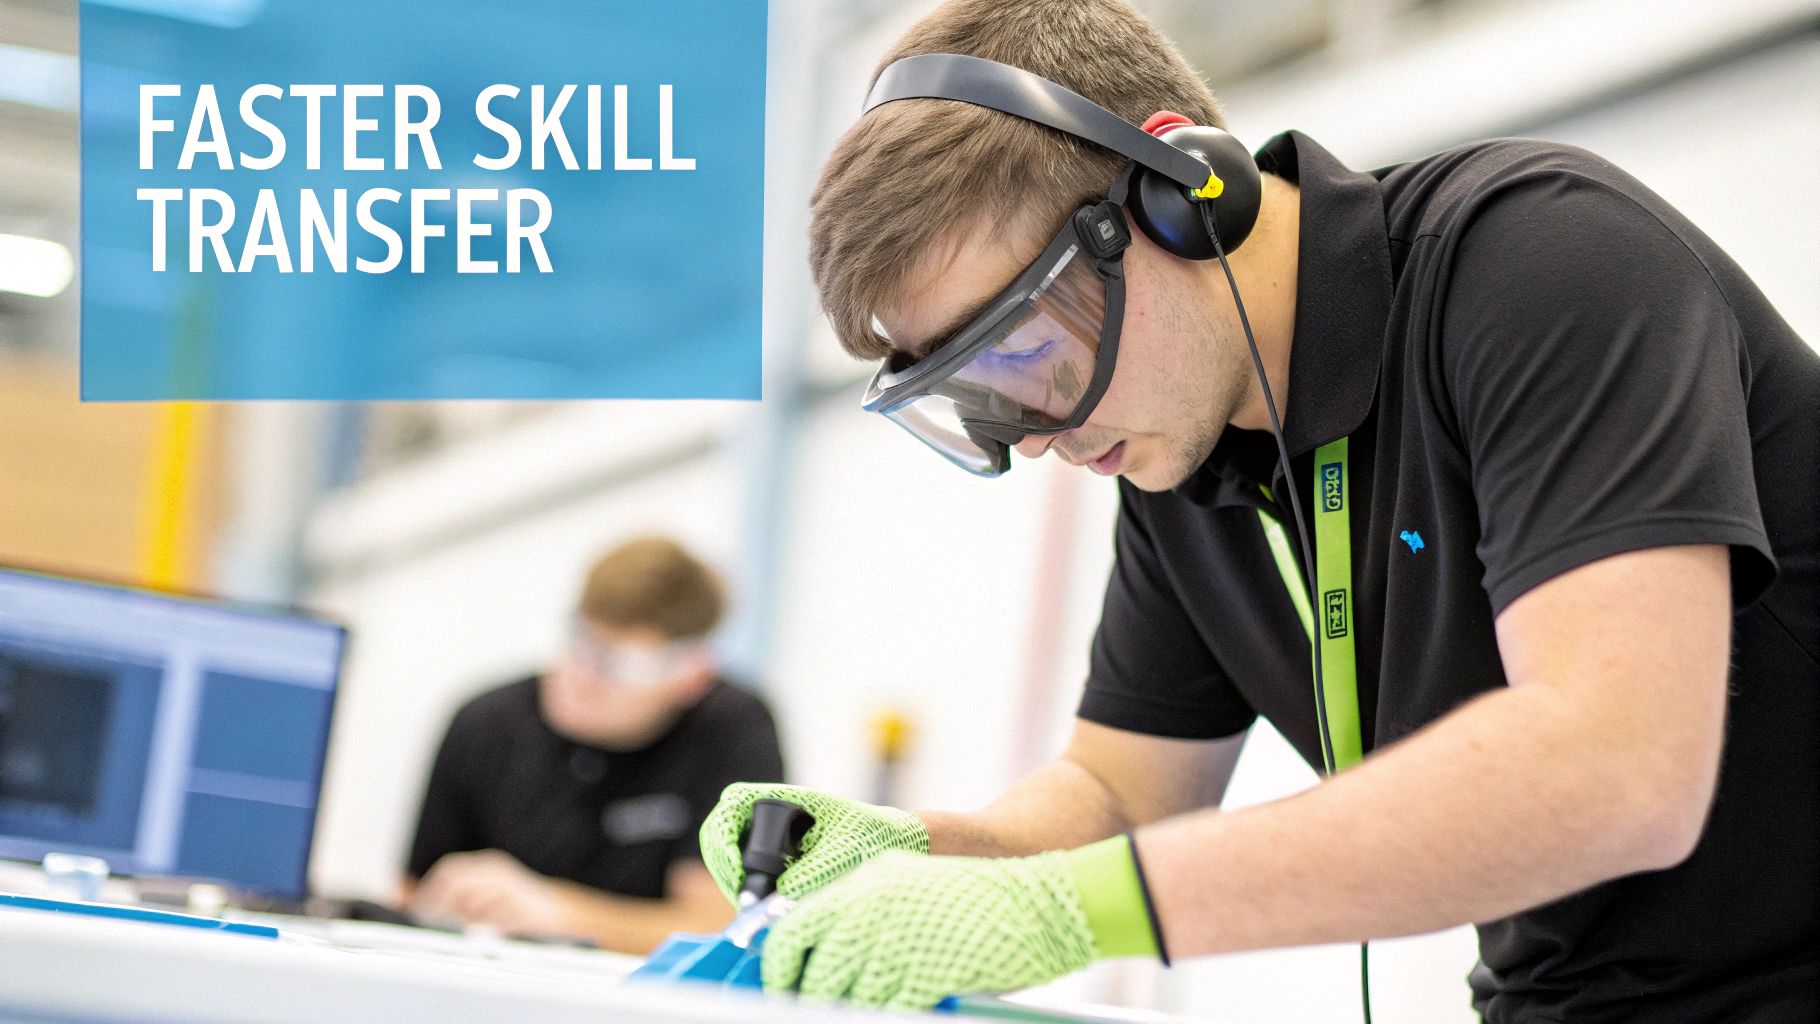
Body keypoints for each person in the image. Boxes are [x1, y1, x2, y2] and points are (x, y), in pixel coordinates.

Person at [698, 1, 1819, 1019]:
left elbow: (1612, 769)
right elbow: (1120, 793)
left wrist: (1069, 909)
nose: (1031, 434)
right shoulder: (1175, 458)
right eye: (973, 400)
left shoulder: (1544, 264)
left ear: (1181, 190)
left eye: (1026, 351)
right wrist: (915, 852)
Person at [403, 536, 784, 953]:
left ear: (692, 675)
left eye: (622, 665)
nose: (582, 676)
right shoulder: (486, 723)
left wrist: (555, 912)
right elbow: (410, 897)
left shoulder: (731, 731)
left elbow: (723, 928)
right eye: (581, 641)